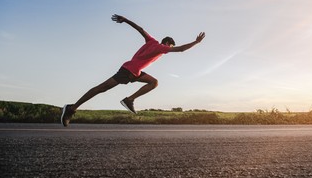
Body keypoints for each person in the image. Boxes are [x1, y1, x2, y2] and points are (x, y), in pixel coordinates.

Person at [61, 14, 205, 127]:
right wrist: (196, 42)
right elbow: (181, 49)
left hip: (135, 72)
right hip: (128, 70)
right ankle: (72, 108)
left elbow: (141, 30)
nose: (169, 49)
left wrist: (126, 20)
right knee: (101, 88)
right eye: (170, 47)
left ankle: (129, 100)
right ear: (168, 43)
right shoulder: (162, 47)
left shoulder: (151, 41)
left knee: (153, 82)